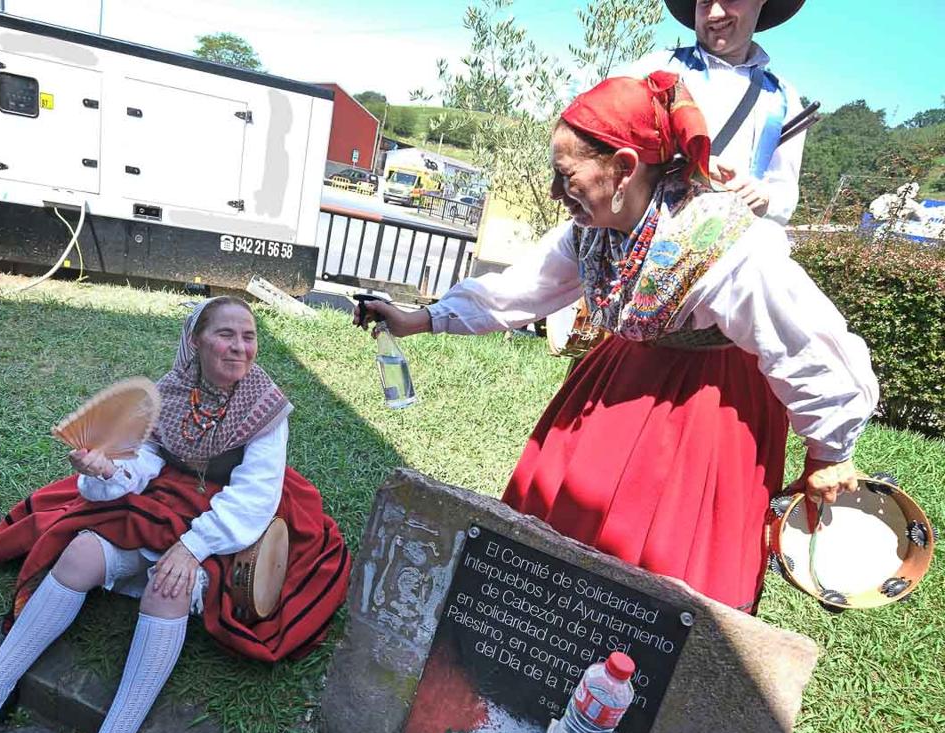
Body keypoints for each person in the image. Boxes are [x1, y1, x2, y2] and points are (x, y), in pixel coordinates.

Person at [354, 72, 877, 614]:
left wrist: (828, 453)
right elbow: (521, 291)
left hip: (707, 404)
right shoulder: (591, 229)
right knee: (565, 521)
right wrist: (421, 320)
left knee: (667, 559)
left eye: (566, 177)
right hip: (617, 377)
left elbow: (808, 348)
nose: (557, 195)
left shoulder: (725, 243)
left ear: (625, 166)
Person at [0, 297, 351, 733]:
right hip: (172, 502)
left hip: (232, 524)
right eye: (225, 335)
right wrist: (105, 470)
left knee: (164, 589)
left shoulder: (266, 407)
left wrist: (192, 547)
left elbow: (255, 499)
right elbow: (144, 465)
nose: (239, 347)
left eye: (248, 337)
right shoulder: (170, 394)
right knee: (79, 553)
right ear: (196, 341)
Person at [620, 0, 808, 224]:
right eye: (705, 2)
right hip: (647, 240)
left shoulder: (782, 97)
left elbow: (783, 189)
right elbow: (599, 146)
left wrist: (764, 198)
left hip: (734, 247)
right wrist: (684, 164)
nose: (715, 13)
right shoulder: (655, 69)